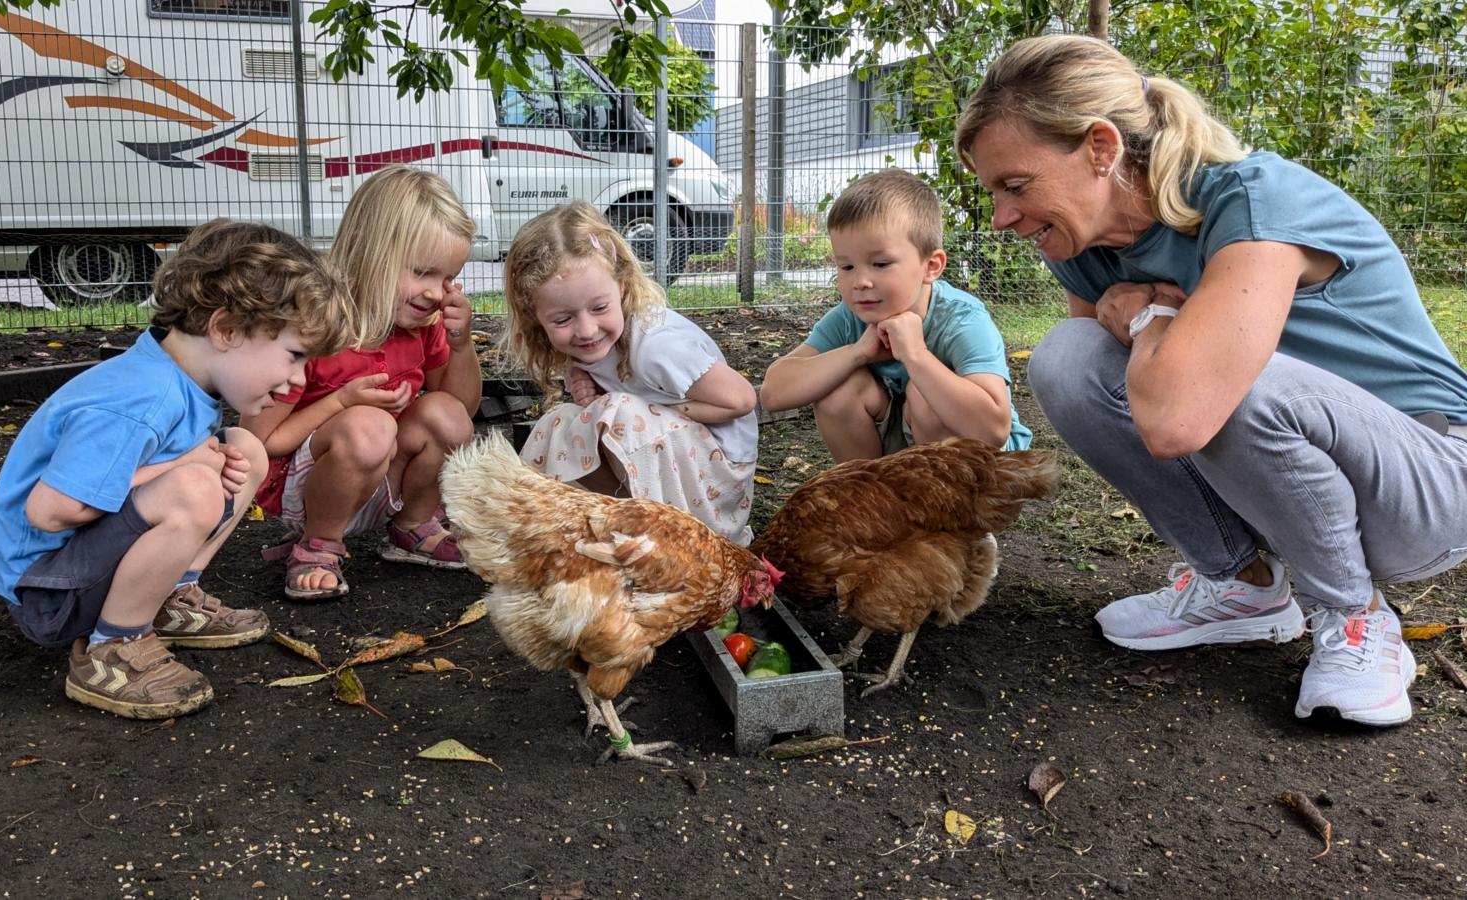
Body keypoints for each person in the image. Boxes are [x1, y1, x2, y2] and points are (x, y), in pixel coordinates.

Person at [955, 34, 1467, 727]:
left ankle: (1355, 617)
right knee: (1066, 357)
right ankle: (1243, 586)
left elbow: (1177, 417)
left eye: (1016, 185)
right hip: (1298, 488)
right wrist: (1148, 327)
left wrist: (1154, 317)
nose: (1003, 216)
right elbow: (1117, 382)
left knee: (1223, 385)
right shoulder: (1084, 246)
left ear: (1101, 148)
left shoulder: (1252, 201)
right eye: (995, 193)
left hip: (1427, 480)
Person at [0, 219, 356, 718]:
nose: (297, 380)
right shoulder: (141, 398)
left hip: (79, 572)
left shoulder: (177, 379)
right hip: (48, 596)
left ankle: (168, 597)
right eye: (294, 356)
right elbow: (52, 510)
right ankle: (113, 648)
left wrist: (193, 463)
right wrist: (186, 465)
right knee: (195, 484)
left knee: (244, 447)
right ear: (225, 329)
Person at [245, 165, 482, 598]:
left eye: (447, 278)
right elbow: (259, 440)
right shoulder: (312, 324)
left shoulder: (423, 324)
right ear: (371, 251)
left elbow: (462, 410)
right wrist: (341, 401)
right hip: (304, 488)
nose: (435, 292)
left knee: (444, 415)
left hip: (380, 471)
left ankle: (413, 526)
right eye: (422, 272)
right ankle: (318, 545)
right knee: (369, 426)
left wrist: (461, 342)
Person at [502, 201, 759, 544]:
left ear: (621, 287)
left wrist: (643, 405)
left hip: (719, 482)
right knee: (559, 422)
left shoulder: (656, 346)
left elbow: (741, 399)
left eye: (599, 308)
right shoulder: (592, 345)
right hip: (681, 460)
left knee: (620, 414)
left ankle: (667, 541)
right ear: (535, 316)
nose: (586, 329)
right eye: (562, 319)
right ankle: (602, 525)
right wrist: (584, 381)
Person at [760, 168, 1032, 460]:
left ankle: (940, 507)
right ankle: (871, 499)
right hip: (901, 460)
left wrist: (916, 355)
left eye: (880, 263)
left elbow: (992, 430)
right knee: (839, 390)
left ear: (931, 267)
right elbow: (774, 393)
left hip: (982, 469)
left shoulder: (962, 320)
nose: (861, 281)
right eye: (847, 267)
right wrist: (857, 353)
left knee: (926, 397)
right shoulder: (849, 319)